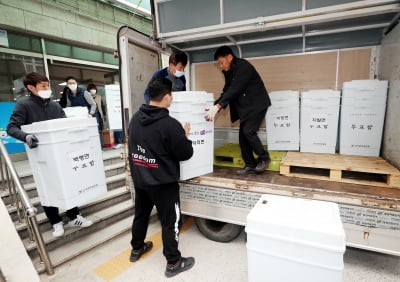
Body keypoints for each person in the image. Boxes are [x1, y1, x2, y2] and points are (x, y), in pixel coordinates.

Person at [6, 72, 92, 237]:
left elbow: (64, 124)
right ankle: (56, 222)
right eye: (43, 86)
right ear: (31, 88)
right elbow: (12, 127)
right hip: (41, 156)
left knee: (68, 184)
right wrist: (26, 136)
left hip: (62, 153)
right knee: (48, 188)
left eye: (47, 85)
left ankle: (74, 216)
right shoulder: (24, 106)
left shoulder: (55, 106)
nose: (47, 89)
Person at [128, 77, 195, 278]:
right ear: (167, 97)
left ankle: (137, 248)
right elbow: (185, 154)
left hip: (141, 179)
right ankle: (174, 262)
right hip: (163, 184)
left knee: (141, 215)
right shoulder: (170, 125)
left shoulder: (134, 119)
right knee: (171, 221)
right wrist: (184, 136)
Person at [205, 45, 272, 175]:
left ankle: (264, 158)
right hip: (247, 108)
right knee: (242, 136)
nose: (220, 66)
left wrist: (218, 106)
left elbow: (236, 88)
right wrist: (215, 106)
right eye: (219, 63)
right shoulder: (229, 72)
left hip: (257, 104)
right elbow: (227, 91)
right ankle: (250, 164)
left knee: (248, 131)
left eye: (221, 62)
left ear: (230, 57)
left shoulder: (243, 66)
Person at [62, 76, 103, 146]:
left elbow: (93, 104)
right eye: (70, 83)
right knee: (84, 132)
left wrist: (91, 114)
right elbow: (69, 105)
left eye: (73, 83)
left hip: (91, 114)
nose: (72, 85)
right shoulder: (68, 94)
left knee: (95, 132)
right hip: (81, 115)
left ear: (76, 83)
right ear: (67, 85)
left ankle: (99, 148)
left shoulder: (84, 92)